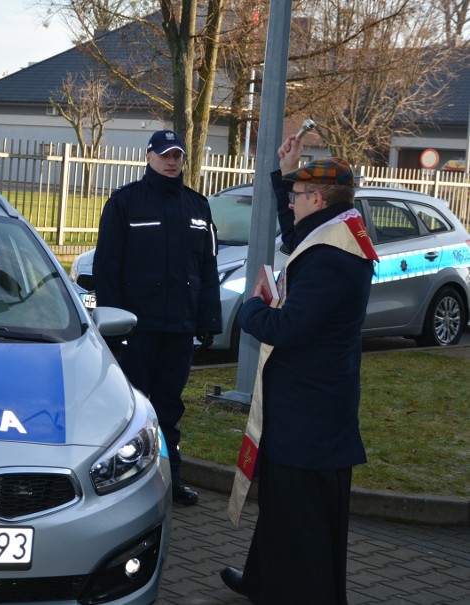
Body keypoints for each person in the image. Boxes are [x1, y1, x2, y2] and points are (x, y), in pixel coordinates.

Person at [220, 135, 378, 603]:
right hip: (311, 405)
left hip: (309, 411)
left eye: (296, 194)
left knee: (301, 512)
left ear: (318, 198)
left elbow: (289, 327)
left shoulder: (332, 256)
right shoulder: (337, 232)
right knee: (283, 504)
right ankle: (262, 581)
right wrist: (284, 170)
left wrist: (250, 310)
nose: (291, 200)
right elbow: (297, 238)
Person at [92, 129, 222, 506]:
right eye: (164, 155)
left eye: (177, 155)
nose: (171, 161)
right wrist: (114, 324)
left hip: (178, 329)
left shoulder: (197, 206)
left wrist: (207, 322)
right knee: (129, 409)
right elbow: (108, 267)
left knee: (169, 407)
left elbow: (206, 269)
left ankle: (169, 480)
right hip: (137, 330)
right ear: (148, 156)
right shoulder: (125, 203)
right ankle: (123, 487)